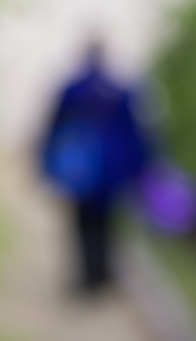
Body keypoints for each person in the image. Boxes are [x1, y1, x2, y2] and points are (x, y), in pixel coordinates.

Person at [39, 42, 150, 293]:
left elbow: (54, 129)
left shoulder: (73, 89)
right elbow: (136, 134)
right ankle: (103, 275)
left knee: (82, 226)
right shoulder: (122, 89)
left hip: (80, 169)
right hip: (113, 172)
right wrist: (141, 167)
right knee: (107, 225)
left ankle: (88, 277)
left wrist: (47, 163)